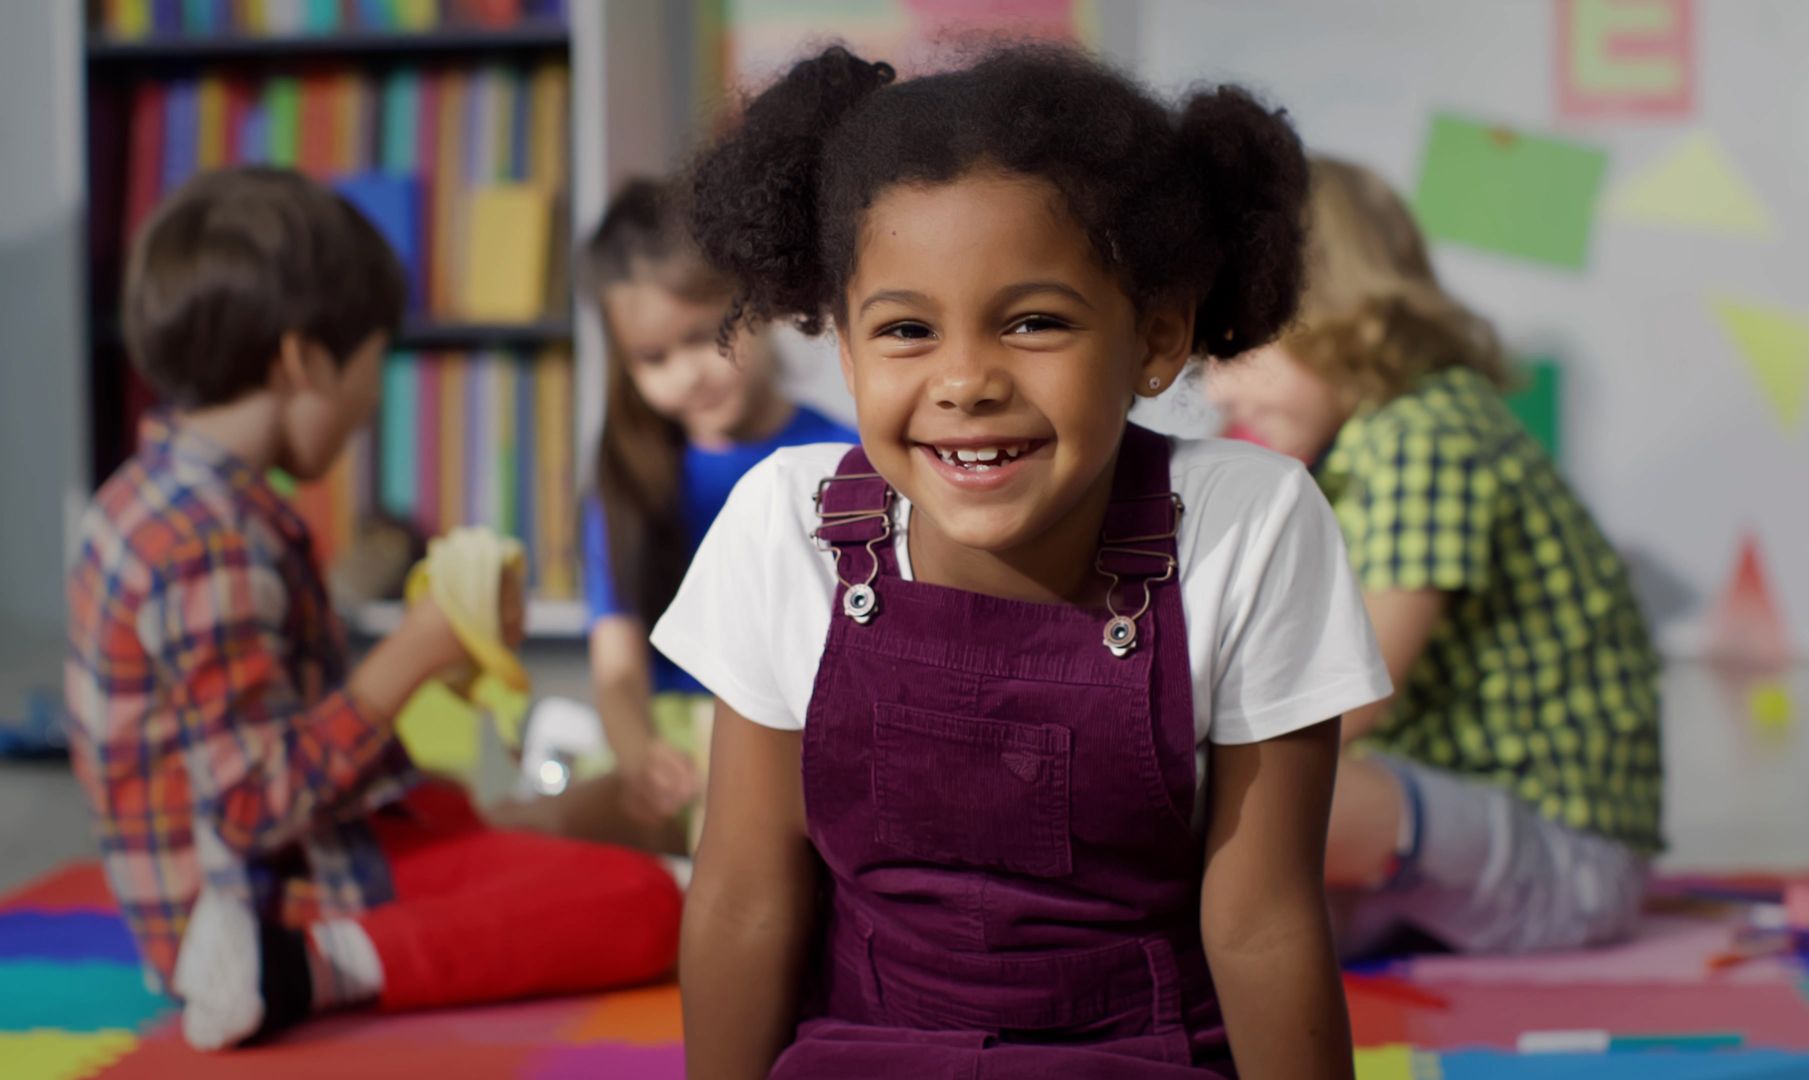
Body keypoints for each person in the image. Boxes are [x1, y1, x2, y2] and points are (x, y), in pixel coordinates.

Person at [655, 45, 1392, 1078]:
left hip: (1148, 1057)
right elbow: (743, 895)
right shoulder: (788, 523)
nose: (964, 381)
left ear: (1157, 337)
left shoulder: (1247, 523)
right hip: (863, 1056)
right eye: (906, 330)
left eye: (1034, 322)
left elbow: (1264, 921)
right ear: (848, 351)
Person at [65, 167, 681, 1051]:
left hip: (289, 864)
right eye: (370, 367)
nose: (369, 405)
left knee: (466, 812)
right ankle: (304, 968)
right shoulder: (213, 541)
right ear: (303, 361)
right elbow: (252, 804)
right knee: (643, 902)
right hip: (254, 909)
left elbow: (262, 742)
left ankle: (514, 835)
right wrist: (420, 648)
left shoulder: (150, 499)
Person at [1207, 157, 1663, 958]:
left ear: (1330, 313)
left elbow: (1354, 695)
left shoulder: (1426, 438)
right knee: (1225, 917)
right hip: (1455, 837)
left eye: (1237, 351)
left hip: (1566, 859)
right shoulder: (1361, 446)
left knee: (1244, 797)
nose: (1217, 391)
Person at [493, 177, 855, 851]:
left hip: (803, 739)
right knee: (534, 829)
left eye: (703, 336)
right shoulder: (628, 481)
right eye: (652, 357)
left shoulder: (843, 459)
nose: (685, 372)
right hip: (671, 750)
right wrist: (638, 753)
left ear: (760, 302)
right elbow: (618, 665)